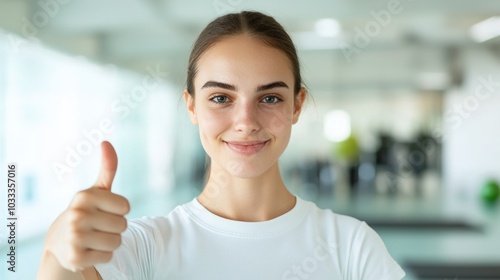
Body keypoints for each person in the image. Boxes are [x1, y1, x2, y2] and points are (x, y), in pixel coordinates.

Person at [37, 11, 405, 280]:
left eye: (271, 98)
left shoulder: (352, 247)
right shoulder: (143, 248)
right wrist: (56, 251)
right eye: (220, 98)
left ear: (297, 105)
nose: (245, 121)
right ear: (192, 106)